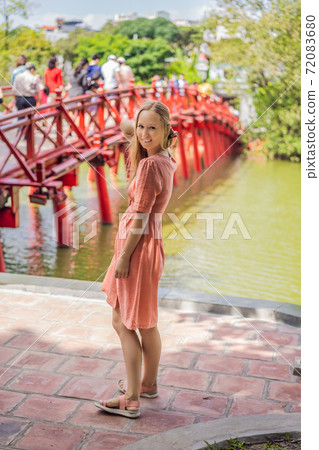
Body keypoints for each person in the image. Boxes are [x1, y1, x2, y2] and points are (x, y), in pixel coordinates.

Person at [95, 100, 178, 418]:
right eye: (141, 127)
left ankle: (130, 398)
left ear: (166, 130)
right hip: (151, 246)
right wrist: (146, 123)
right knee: (146, 322)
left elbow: (141, 217)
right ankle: (148, 384)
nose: (142, 134)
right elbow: (126, 128)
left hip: (138, 246)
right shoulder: (166, 157)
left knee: (123, 321)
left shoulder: (148, 166)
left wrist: (123, 258)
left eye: (151, 128)